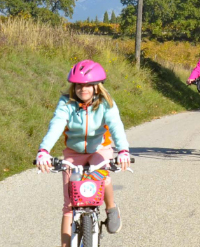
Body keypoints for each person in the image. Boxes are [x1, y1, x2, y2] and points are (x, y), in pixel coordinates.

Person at [35, 60, 132, 246]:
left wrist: (123, 151)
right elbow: (56, 125)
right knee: (69, 206)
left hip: (99, 150)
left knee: (102, 176)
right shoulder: (66, 102)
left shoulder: (106, 102)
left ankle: (111, 208)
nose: (83, 89)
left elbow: (116, 126)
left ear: (97, 86)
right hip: (74, 153)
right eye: (79, 85)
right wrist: (44, 151)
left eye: (88, 84)